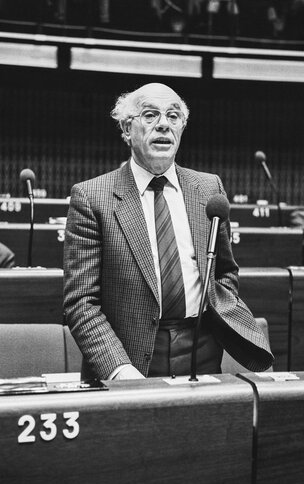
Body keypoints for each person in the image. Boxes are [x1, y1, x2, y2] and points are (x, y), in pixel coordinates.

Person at [63, 82, 273, 381]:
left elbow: (225, 272)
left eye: (173, 117)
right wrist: (119, 369)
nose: (163, 124)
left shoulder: (208, 188)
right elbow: (81, 302)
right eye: (150, 115)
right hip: (127, 356)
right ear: (126, 128)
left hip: (201, 346)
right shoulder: (92, 196)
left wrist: (215, 323)